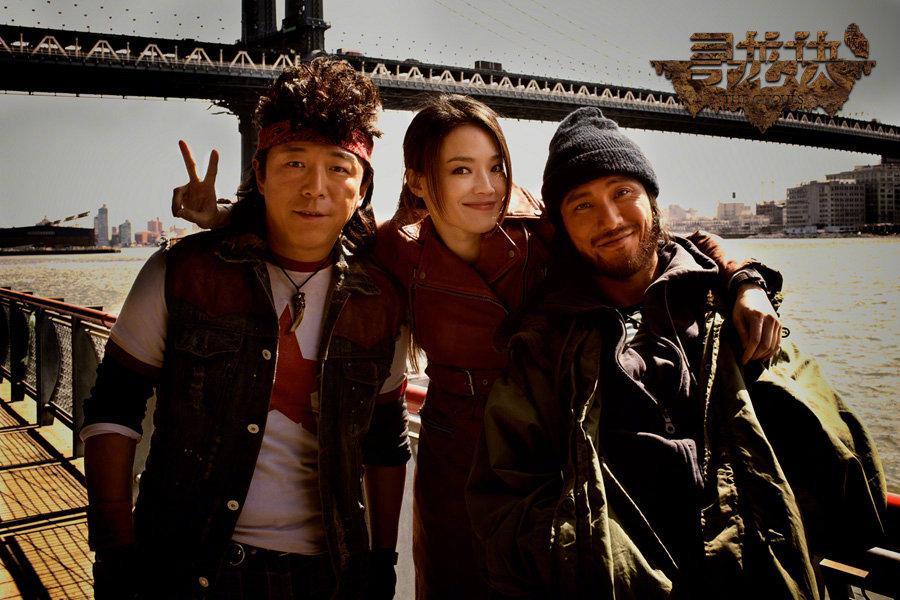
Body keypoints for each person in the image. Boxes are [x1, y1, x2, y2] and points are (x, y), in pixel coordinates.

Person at [175, 94, 783, 600]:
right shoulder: (396, 251)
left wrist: (745, 281)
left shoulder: (541, 231)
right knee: (455, 579)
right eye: (461, 170)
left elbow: (663, 244)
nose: (487, 187)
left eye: (496, 166)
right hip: (452, 447)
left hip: (548, 437)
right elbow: (317, 231)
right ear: (419, 180)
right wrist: (222, 218)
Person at [465, 107, 887, 599]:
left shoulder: (731, 312)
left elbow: (833, 441)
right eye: (582, 205)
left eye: (623, 193)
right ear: (560, 227)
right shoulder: (542, 346)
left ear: (652, 199)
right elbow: (505, 498)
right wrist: (608, 567)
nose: (610, 220)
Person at [82, 58, 410, 599]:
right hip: (183, 568)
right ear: (260, 174)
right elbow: (114, 408)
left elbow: (385, 443)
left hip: (330, 578)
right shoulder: (182, 273)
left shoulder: (380, 302)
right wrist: (114, 548)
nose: (316, 188)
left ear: (363, 187)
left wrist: (381, 562)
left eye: (339, 168)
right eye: (294, 163)